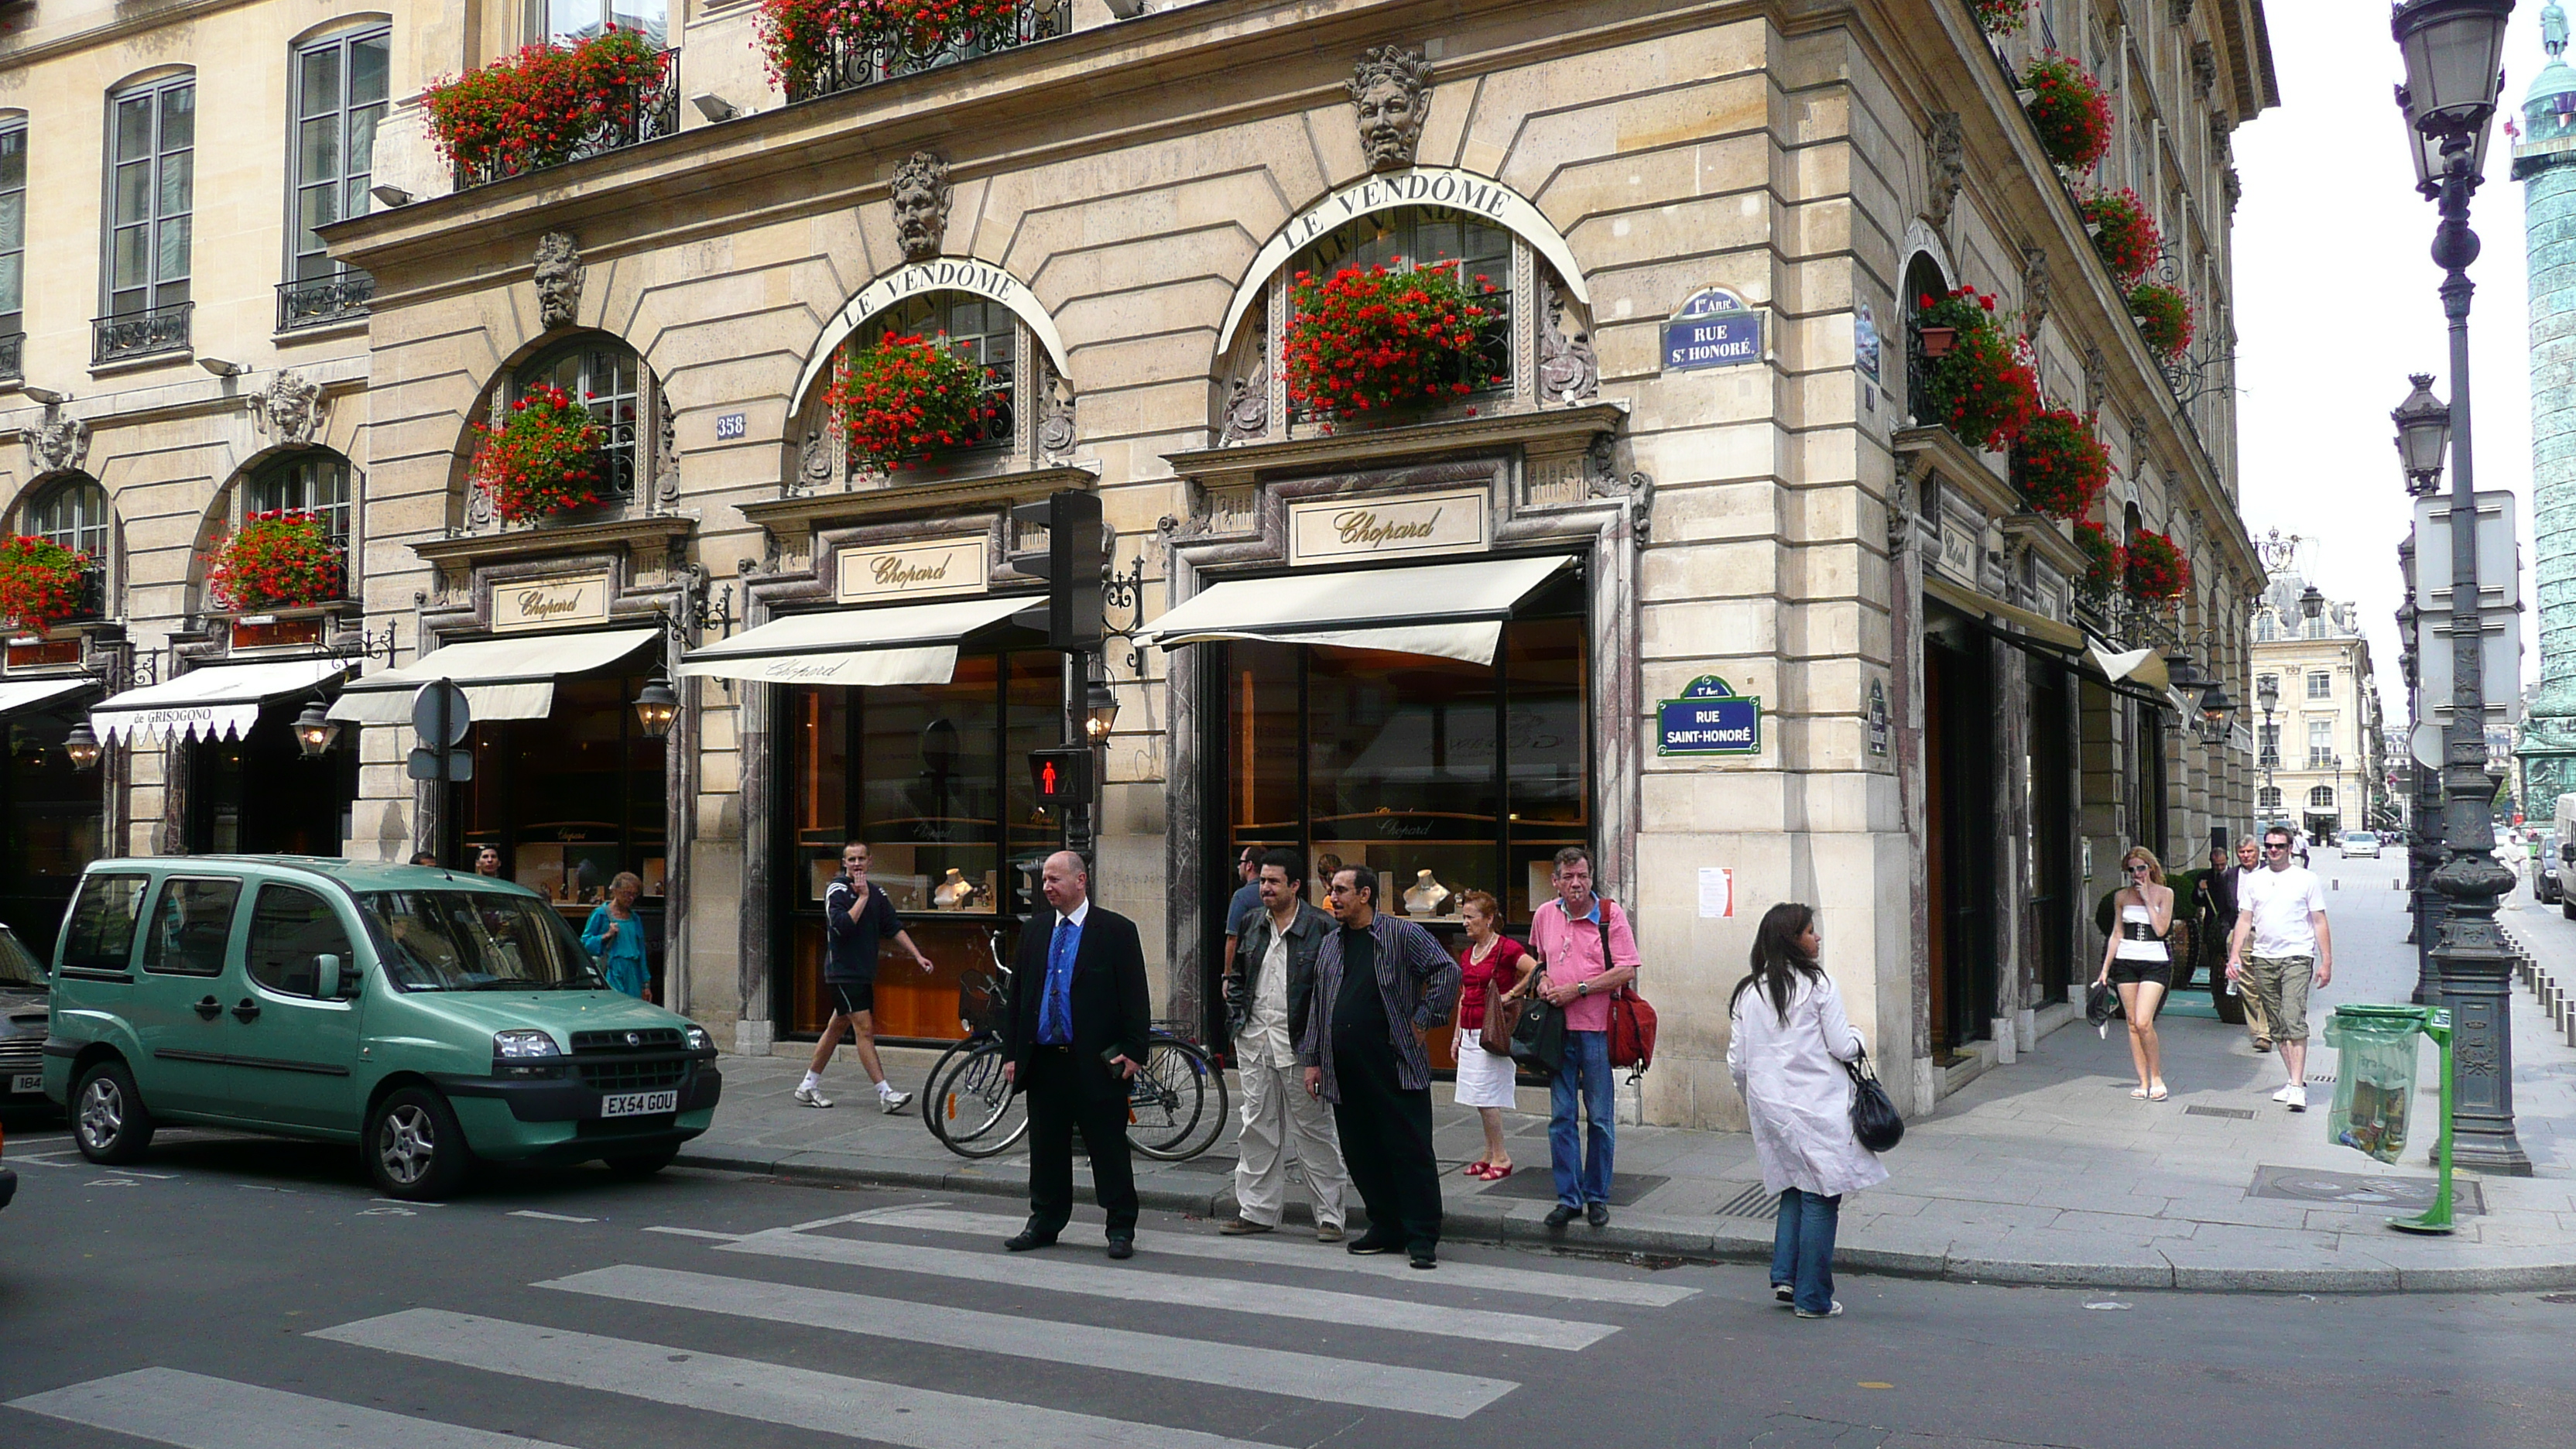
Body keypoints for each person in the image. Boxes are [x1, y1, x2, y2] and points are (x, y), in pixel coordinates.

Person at [1727, 902, 1885, 1320]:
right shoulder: (1818, 985)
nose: (1818, 938)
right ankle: (1812, 1297)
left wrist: (1754, 1097)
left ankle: (1786, 1275)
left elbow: (1737, 1062)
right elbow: (1841, 1046)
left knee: (1793, 1183)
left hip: (1770, 1106)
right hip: (1817, 1104)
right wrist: (1860, 1037)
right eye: (1810, 931)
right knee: (1822, 1193)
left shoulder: (1749, 991)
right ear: (1791, 940)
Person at [1300, 864, 1458, 1270]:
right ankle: (1386, 1225)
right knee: (1361, 1152)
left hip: (1394, 1063)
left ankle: (1421, 1234)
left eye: (1340, 890)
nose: (1332, 897)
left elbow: (1446, 971)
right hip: (1344, 1068)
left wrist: (1424, 1020)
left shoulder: (1401, 934)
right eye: (1333, 890)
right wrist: (1313, 1061)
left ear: (1365, 895)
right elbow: (1320, 1005)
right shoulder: (1332, 944)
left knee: (1409, 1150)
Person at [1002, 851, 1152, 1259]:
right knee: (1046, 1148)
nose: (1047, 887)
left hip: (1097, 1062)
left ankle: (1120, 1227)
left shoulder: (1115, 931)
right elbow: (1020, 998)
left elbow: (1135, 996)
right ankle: (1044, 1221)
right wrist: (1012, 1053)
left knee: (1108, 1147)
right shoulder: (1034, 932)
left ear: (1081, 880)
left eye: (1054, 879)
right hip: (1045, 1061)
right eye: (1044, 881)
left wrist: (1135, 1052)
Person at [1218, 848, 1350, 1241]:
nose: (1266, 889)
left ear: (1295, 885)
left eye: (1274, 882)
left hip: (1300, 1048)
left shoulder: (1322, 928)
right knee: (1256, 1127)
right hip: (1255, 1041)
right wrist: (1237, 1021)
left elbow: (1330, 996)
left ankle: (1330, 1216)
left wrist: (1319, 1052)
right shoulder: (1251, 922)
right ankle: (1256, 1210)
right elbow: (1238, 975)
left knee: (1314, 1132)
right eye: (1262, 881)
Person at [1526, 846, 1642, 1229]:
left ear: (1591, 878)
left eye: (1583, 876)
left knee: (1601, 1118)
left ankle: (1597, 1197)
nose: (1577, 883)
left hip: (1595, 1030)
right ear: (1556, 881)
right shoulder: (1544, 915)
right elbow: (1541, 961)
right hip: (1557, 1032)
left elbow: (1626, 970)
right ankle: (1568, 1198)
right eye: (1569, 876)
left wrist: (1579, 989)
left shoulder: (1610, 916)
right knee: (1561, 1117)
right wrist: (1542, 981)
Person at [797, 841, 931, 1112]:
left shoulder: (877, 894)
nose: (856, 864)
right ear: (844, 863)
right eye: (851, 859)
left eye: (861, 859)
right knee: (865, 1030)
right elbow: (842, 928)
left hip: (863, 973)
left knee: (836, 1027)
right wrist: (860, 898)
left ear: (870, 861)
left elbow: (893, 927)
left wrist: (917, 955)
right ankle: (886, 1094)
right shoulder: (836, 891)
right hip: (843, 973)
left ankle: (807, 1086)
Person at [2228, 826, 2333, 1112]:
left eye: (2280, 846)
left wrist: (2326, 961)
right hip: (2263, 957)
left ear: (2290, 848)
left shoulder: (2306, 879)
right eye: (2270, 846)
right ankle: (2292, 1079)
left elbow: (2319, 920)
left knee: (2293, 1018)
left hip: (2297, 956)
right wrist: (2234, 955)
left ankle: (2298, 1087)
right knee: (2276, 1025)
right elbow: (2244, 919)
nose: (2274, 850)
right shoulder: (2255, 881)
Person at [1451, 889, 1533, 1180]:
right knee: (1477, 1096)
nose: (1465, 923)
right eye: (1464, 917)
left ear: (1488, 919)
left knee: (1488, 1097)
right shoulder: (1467, 953)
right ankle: (1488, 1154)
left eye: (1470, 917)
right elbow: (1465, 995)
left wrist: (1510, 994)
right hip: (1471, 1031)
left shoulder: (1507, 948)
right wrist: (1456, 1035)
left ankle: (1501, 1156)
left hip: (1493, 1032)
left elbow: (1534, 970)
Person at [2092, 847, 2175, 1101]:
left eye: (2141, 868)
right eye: (2132, 869)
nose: (2137, 873)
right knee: (2131, 1022)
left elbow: (2161, 929)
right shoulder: (2121, 897)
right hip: (2126, 961)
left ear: (2150, 868)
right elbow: (2117, 933)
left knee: (2143, 1021)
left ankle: (2157, 1077)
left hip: (2155, 961)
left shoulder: (2165, 894)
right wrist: (2105, 970)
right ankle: (2142, 1081)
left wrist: (2148, 899)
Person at [2221, 837, 2273, 1051]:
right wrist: (2228, 934)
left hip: (2266, 934)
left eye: (2250, 851)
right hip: (2240, 935)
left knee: (2268, 982)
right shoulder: (2230, 876)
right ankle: (2261, 1033)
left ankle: (2268, 1028)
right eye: (2242, 852)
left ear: (2258, 852)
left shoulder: (2271, 874)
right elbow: (2226, 908)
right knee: (2248, 985)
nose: (2246, 856)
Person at [581, 872, 652, 1001]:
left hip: (633, 972)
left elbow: (641, 951)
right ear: (615, 891)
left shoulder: (635, 918)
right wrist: (606, 935)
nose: (631, 898)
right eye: (627, 894)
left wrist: (646, 984)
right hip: (612, 969)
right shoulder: (601, 914)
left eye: (634, 894)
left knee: (633, 1008)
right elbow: (584, 944)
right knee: (616, 1005)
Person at [1218, 845, 1263, 981]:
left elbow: (1233, 939)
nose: (1238, 867)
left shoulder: (1241, 896)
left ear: (1249, 865)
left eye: (1241, 862)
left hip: (1247, 971)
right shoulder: (1276, 895)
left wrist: (1227, 976)